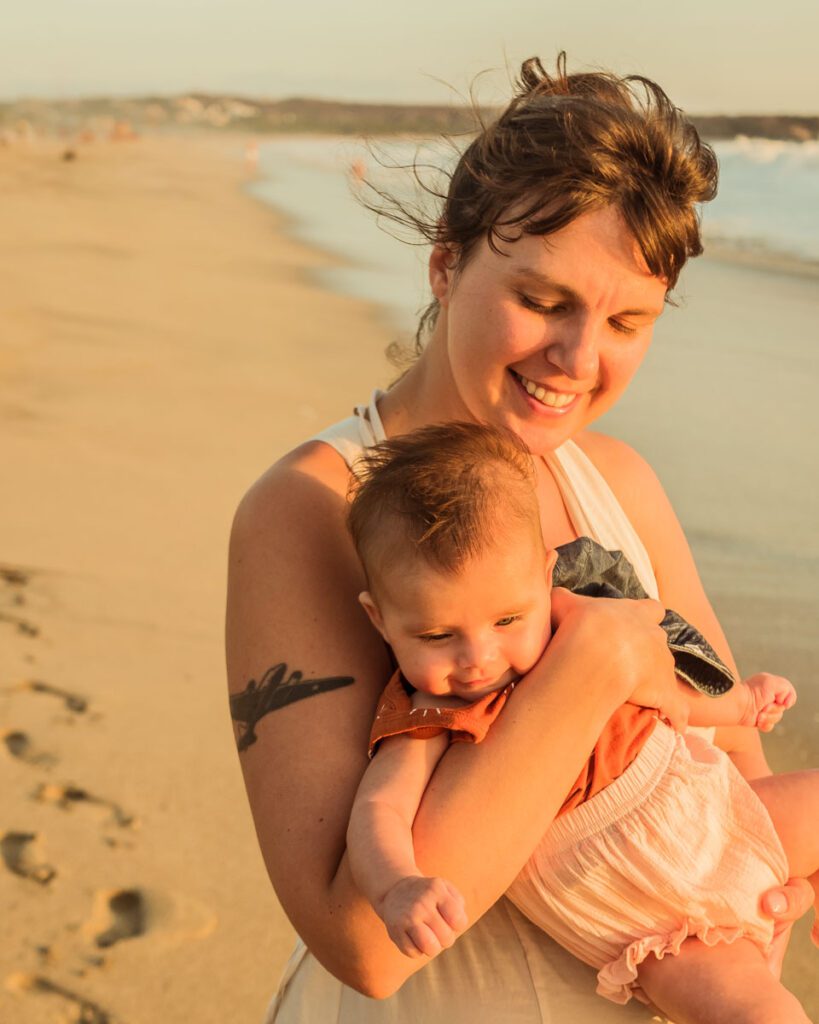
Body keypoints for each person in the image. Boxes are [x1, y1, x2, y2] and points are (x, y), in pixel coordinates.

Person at [226, 54, 814, 1024]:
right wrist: (592, 662)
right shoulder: (315, 506)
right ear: (446, 263)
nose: (578, 359)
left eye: (627, 319)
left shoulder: (617, 481)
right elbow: (363, 943)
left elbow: (744, 785)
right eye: (543, 302)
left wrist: (788, 885)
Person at [344, 421, 817, 1018]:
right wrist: (395, 887)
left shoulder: (578, 625)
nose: (477, 658)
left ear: (545, 578)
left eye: (507, 621)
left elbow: (665, 695)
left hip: (724, 814)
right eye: (437, 635)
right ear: (379, 621)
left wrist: (739, 706)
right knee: (759, 1013)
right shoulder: (431, 716)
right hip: (640, 912)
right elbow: (379, 810)